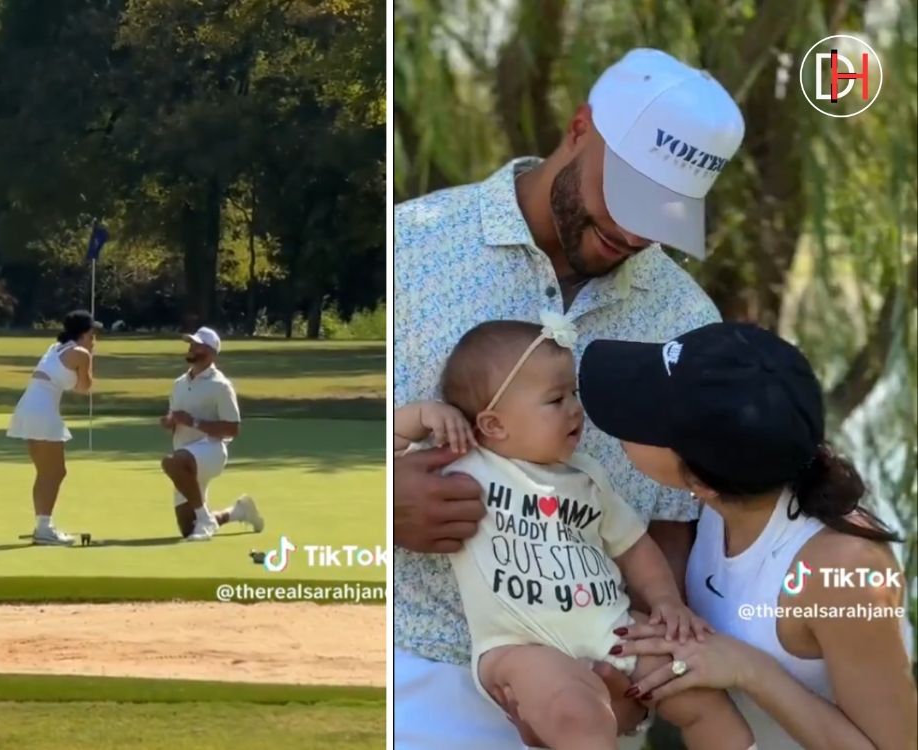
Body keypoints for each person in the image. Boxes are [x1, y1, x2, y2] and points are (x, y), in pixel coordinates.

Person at [393, 48, 744, 748]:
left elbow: (673, 522)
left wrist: (632, 684)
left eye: (666, 213)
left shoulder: (686, 324)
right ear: (581, 126)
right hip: (412, 672)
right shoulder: (410, 247)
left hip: (596, 684)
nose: (636, 232)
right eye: (629, 195)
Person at [394, 315, 755, 750]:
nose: (575, 409)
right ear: (494, 425)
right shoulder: (466, 464)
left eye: (574, 394)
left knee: (698, 692)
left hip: (612, 627)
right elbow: (389, 448)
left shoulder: (588, 476)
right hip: (521, 643)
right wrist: (423, 415)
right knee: (574, 714)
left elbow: (634, 546)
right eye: (556, 399)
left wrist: (665, 603)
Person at [578, 321, 917, 750]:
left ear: (702, 481)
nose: (628, 415)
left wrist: (750, 670)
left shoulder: (845, 570)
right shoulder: (718, 503)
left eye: (648, 417)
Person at [160, 326, 263, 542]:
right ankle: (238, 512)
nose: (191, 348)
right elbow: (174, 416)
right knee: (189, 529)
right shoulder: (179, 384)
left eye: (197, 345)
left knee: (170, 463)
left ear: (211, 353)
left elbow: (232, 428)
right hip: (185, 457)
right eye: (191, 344)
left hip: (211, 451)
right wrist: (169, 421)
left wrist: (193, 421)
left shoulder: (221, 385)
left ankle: (205, 520)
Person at [7, 309, 98, 545]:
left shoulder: (54, 347)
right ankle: (45, 529)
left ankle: (42, 526)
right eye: (92, 334)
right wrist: (89, 358)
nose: (94, 339)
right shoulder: (81, 353)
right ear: (85, 334)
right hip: (42, 411)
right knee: (55, 472)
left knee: (47, 472)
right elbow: (83, 388)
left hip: (28, 407)